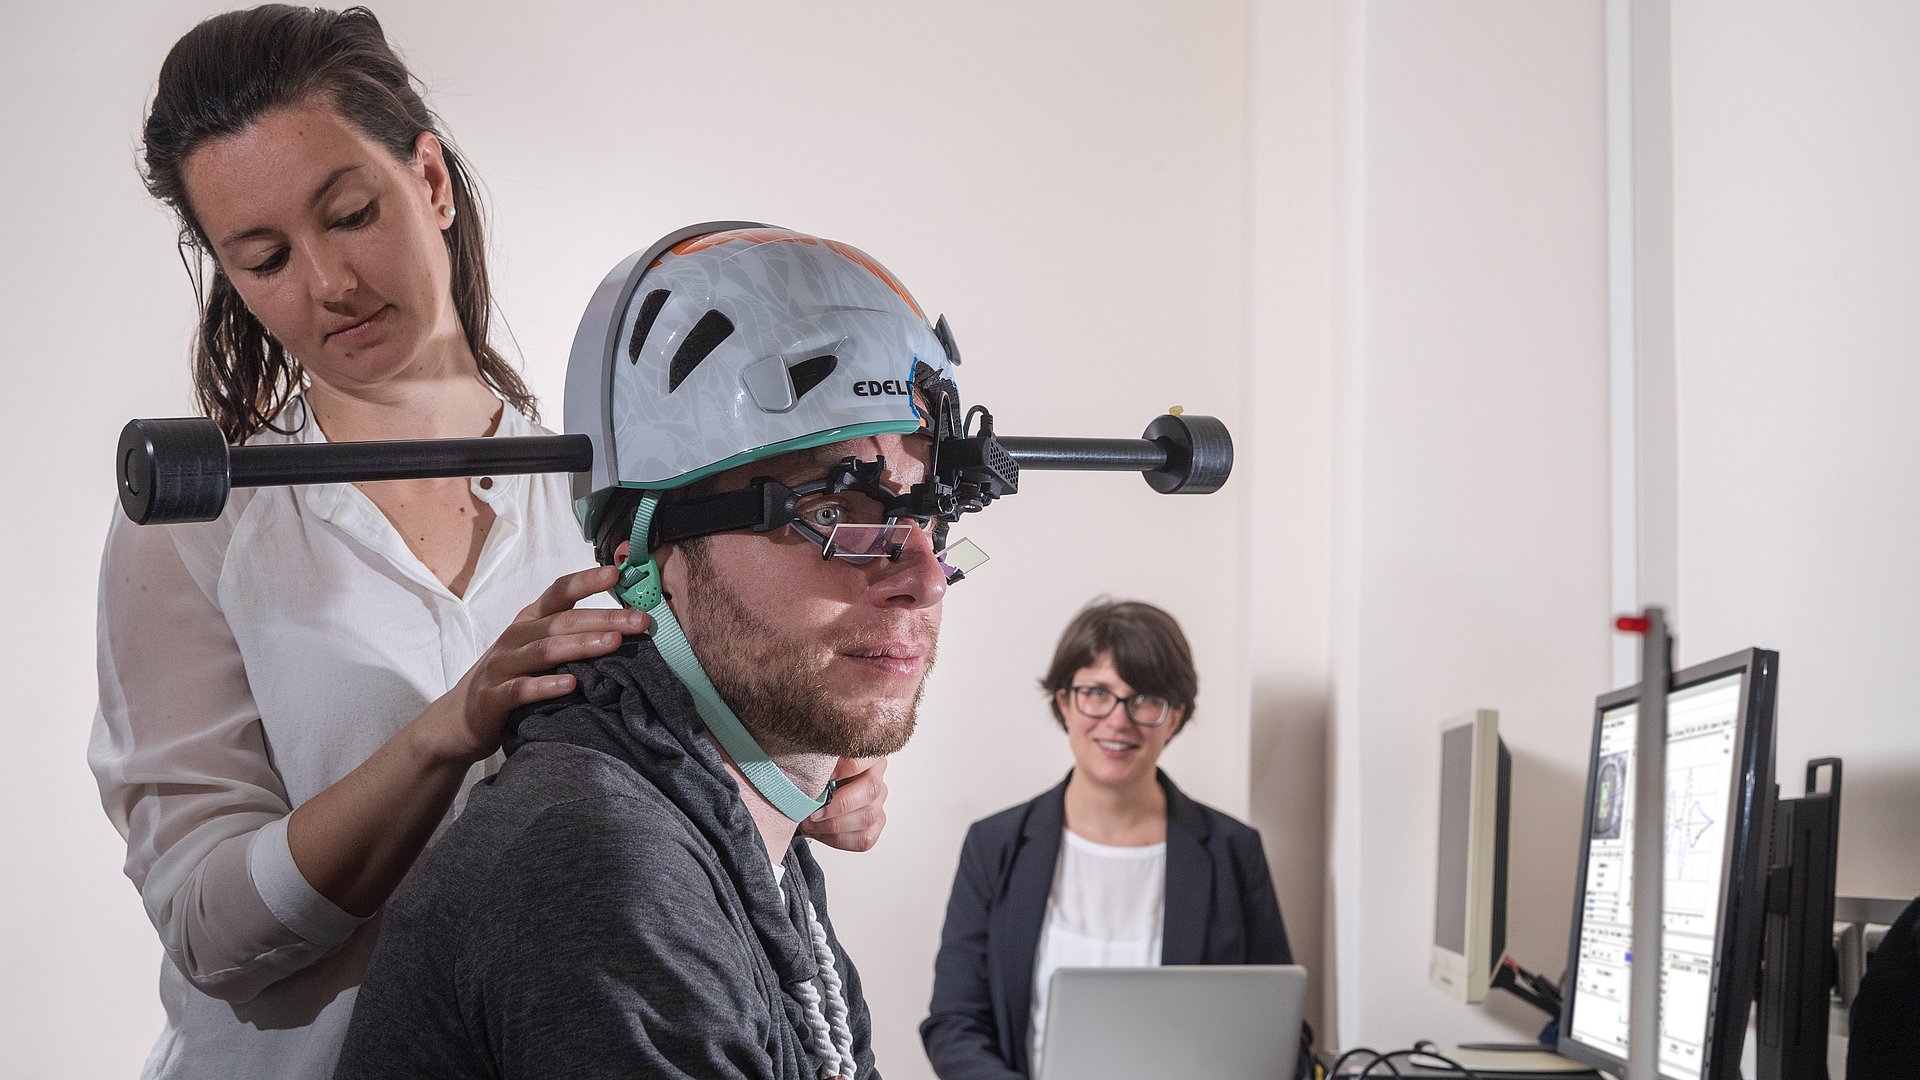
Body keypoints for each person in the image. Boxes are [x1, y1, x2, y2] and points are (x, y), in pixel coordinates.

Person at [89, 11, 885, 1079]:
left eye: (352, 213)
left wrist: (819, 759)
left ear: (431, 180)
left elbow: (718, 766)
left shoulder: (621, 483)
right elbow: (211, 931)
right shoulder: (199, 523)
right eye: (266, 257)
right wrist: (447, 732)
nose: (328, 283)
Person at [332, 226, 973, 1079]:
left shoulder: (746, 836)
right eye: (831, 510)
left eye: (929, 515)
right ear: (646, 553)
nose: (922, 579)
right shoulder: (601, 864)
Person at [921, 600, 1296, 1080]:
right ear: (1064, 701)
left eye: (1144, 699)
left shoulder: (1232, 851)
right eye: (1097, 692)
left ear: (1174, 717)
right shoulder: (994, 845)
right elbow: (955, 1025)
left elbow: (1276, 1028)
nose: (1118, 720)